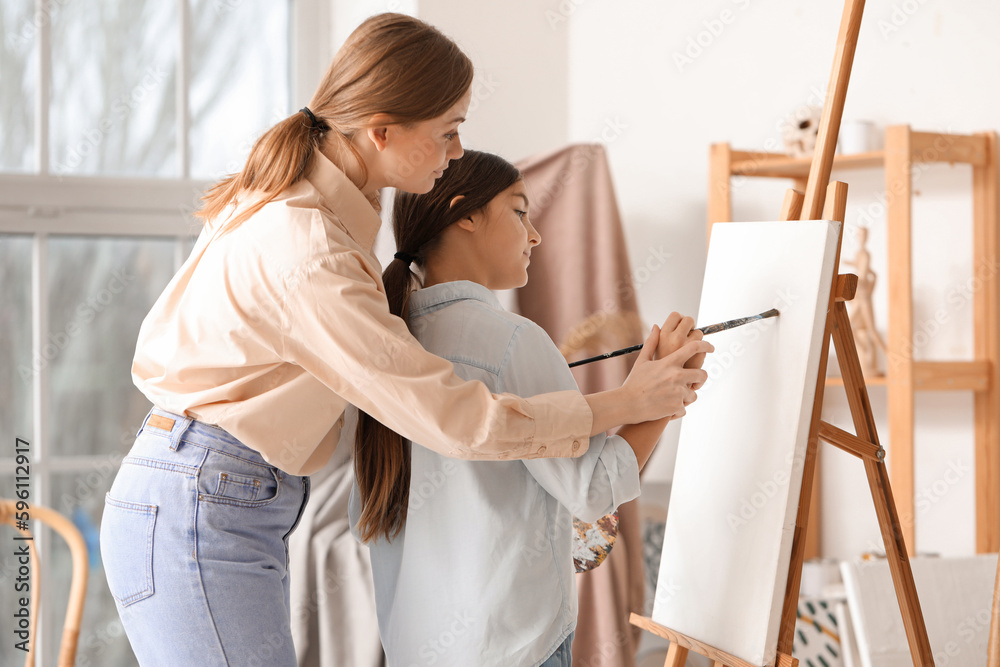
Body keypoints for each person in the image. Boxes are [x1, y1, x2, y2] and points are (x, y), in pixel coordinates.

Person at [100, 13, 711, 667]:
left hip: (215, 498)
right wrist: (627, 401)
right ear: (381, 129)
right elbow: (456, 418)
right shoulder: (312, 250)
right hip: (207, 502)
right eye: (448, 131)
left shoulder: (308, 216)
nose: (455, 152)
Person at [349, 150, 708, 666]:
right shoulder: (513, 342)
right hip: (512, 649)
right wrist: (659, 400)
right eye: (520, 212)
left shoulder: (389, 340)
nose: (535, 235)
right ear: (465, 214)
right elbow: (591, 488)